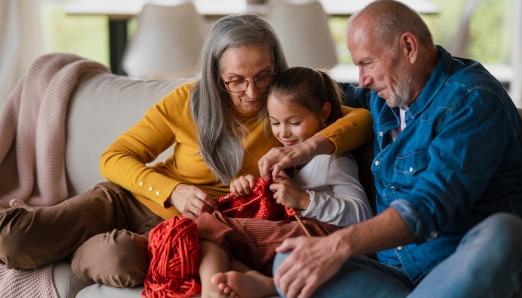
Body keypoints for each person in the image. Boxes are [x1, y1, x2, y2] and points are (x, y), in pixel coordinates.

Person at [0, 14, 373, 288]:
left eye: (263, 75)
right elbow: (113, 157)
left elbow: (361, 120)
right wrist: (172, 191)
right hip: (129, 200)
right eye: (236, 81)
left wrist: (302, 150)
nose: (252, 92)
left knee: (120, 261)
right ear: (216, 76)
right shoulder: (186, 102)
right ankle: (63, 238)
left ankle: (71, 249)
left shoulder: (284, 111)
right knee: (15, 242)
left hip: (179, 230)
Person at [268, 1, 522, 297]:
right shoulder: (384, 95)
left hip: (457, 267)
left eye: (367, 63)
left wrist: (337, 246)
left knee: (508, 235)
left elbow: (429, 206)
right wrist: (253, 84)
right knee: (289, 259)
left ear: (408, 47)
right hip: (396, 278)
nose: (363, 79)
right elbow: (315, 94)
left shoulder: (473, 100)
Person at [196, 66, 373, 298]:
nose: (284, 133)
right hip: (296, 228)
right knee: (213, 226)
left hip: (324, 237)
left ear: (324, 112)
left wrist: (305, 199)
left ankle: (212, 292)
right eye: (276, 123)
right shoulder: (286, 156)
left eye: (294, 122)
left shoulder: (334, 159)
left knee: (209, 225)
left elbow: (364, 216)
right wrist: (246, 188)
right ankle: (263, 282)